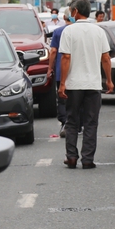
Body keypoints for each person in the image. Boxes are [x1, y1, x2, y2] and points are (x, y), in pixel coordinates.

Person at [58, 0, 113, 169]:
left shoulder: (69, 31)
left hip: (74, 85)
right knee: (91, 122)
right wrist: (109, 81)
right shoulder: (98, 31)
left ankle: (72, 157)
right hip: (93, 85)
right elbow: (106, 58)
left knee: (72, 121)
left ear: (75, 11)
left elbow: (66, 58)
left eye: (70, 11)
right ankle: (88, 159)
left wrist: (62, 83)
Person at [46, 8, 74, 137]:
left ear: (64, 17)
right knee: (77, 98)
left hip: (60, 71)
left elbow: (53, 51)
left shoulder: (57, 32)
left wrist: (50, 68)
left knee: (62, 99)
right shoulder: (78, 32)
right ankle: (77, 124)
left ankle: (65, 122)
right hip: (76, 70)